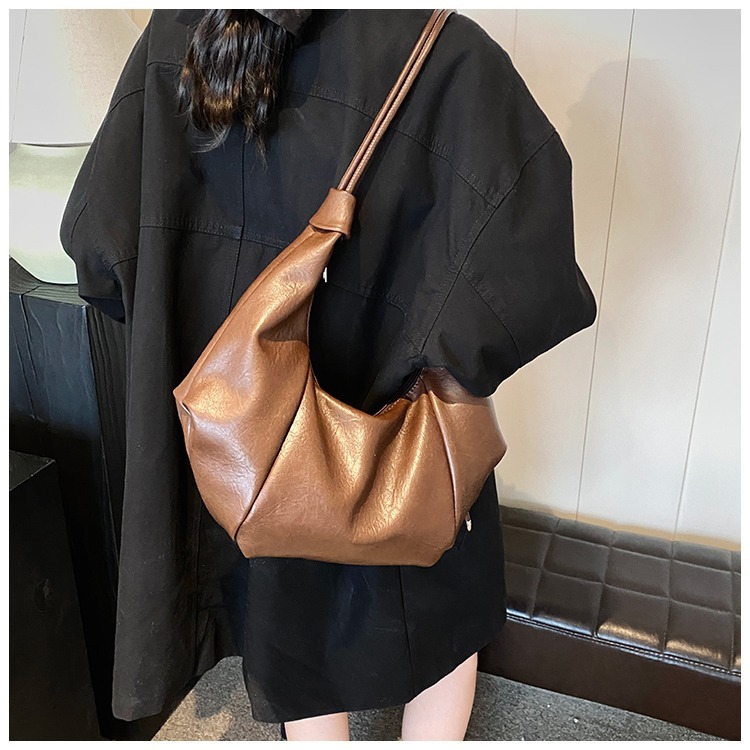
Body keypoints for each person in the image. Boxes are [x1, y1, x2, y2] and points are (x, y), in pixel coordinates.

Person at [60, 9, 597, 742]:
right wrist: (439, 356)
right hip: (407, 433)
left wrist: (210, 340)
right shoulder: (448, 50)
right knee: (440, 614)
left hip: (249, 451)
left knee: (289, 620)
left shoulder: (178, 35)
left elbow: (98, 246)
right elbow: (530, 277)